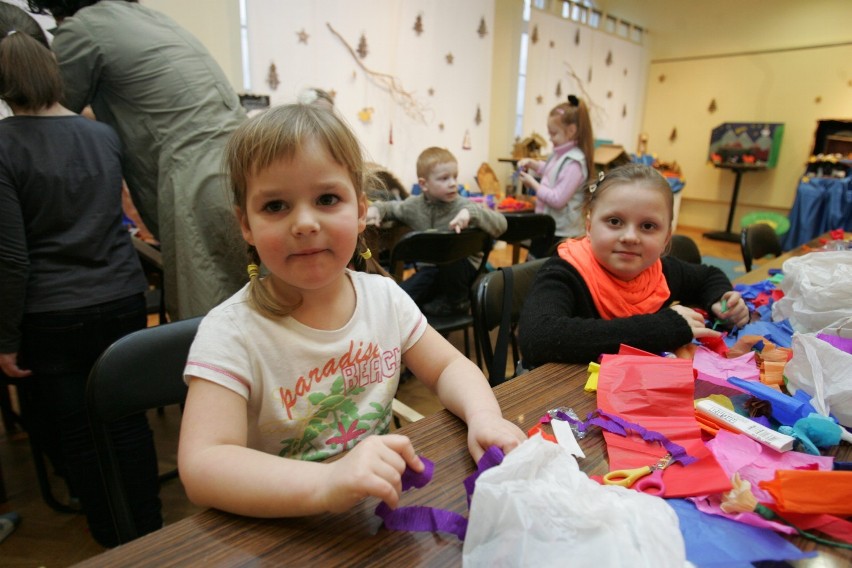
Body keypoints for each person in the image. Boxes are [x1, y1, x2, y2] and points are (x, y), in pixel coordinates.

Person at [177, 104, 525, 518]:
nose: (304, 223)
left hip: (371, 515)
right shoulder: (231, 332)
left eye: (327, 199)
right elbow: (203, 465)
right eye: (275, 206)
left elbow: (449, 366)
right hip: (279, 528)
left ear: (361, 211)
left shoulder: (385, 298)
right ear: (246, 224)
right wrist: (327, 482)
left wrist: (483, 417)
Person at [0, 5, 161, 547]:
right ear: (53, 72)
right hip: (121, 296)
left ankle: (114, 544)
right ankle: (153, 536)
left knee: (80, 434)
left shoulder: (3, 145)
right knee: (128, 421)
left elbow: (13, 257)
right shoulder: (104, 137)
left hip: (52, 314)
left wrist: (4, 339)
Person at [27, 0, 248, 320]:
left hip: (198, 176)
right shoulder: (147, 17)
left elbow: (46, 116)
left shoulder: (83, 28)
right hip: (241, 159)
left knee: (208, 312)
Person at [518, 163, 749, 367]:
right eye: (614, 221)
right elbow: (538, 337)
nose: (630, 237)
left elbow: (708, 276)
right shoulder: (564, 272)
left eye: (647, 226)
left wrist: (721, 299)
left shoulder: (657, 271)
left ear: (666, 239)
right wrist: (662, 328)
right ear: (589, 227)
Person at [365, 147, 507, 316]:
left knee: (449, 250)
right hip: (432, 271)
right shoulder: (413, 206)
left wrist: (472, 214)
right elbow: (391, 207)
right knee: (400, 298)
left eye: (455, 177)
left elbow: (502, 224)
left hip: (463, 272)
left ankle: (458, 302)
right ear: (424, 184)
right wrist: (376, 210)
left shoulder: (463, 206)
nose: (453, 183)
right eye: (444, 178)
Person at [517, 95, 594, 256]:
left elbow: (558, 199)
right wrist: (533, 164)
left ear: (571, 131)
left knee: (542, 269)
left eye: (554, 134)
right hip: (548, 227)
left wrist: (533, 185)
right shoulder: (559, 155)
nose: (550, 138)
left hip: (561, 234)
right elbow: (552, 171)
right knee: (532, 266)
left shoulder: (575, 162)